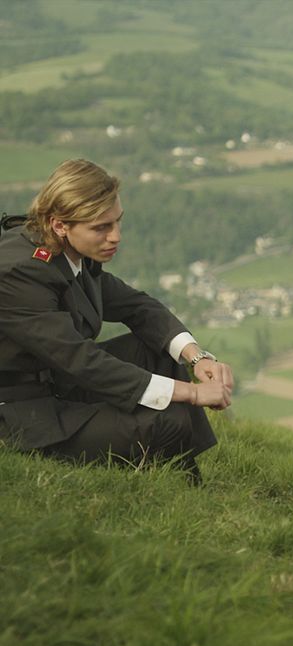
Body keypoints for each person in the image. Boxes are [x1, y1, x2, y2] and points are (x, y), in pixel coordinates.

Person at [0, 159, 230, 480]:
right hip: (24, 414)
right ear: (59, 224)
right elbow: (80, 360)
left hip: (57, 381)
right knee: (168, 420)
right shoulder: (22, 274)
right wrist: (191, 393)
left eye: (117, 222)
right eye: (101, 228)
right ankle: (178, 488)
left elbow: (137, 307)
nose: (115, 237)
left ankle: (183, 475)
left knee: (156, 351)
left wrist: (196, 357)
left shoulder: (70, 252)